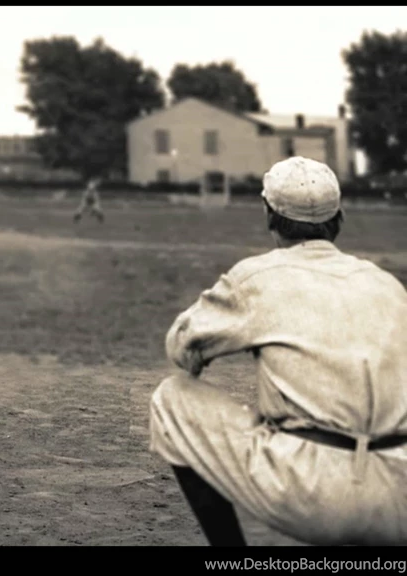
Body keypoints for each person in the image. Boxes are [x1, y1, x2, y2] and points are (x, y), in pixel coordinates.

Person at [148, 156, 407, 546]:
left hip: (314, 490)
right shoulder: (387, 284)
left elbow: (182, 350)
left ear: (269, 216)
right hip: (400, 491)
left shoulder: (257, 276)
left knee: (172, 398)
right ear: (339, 218)